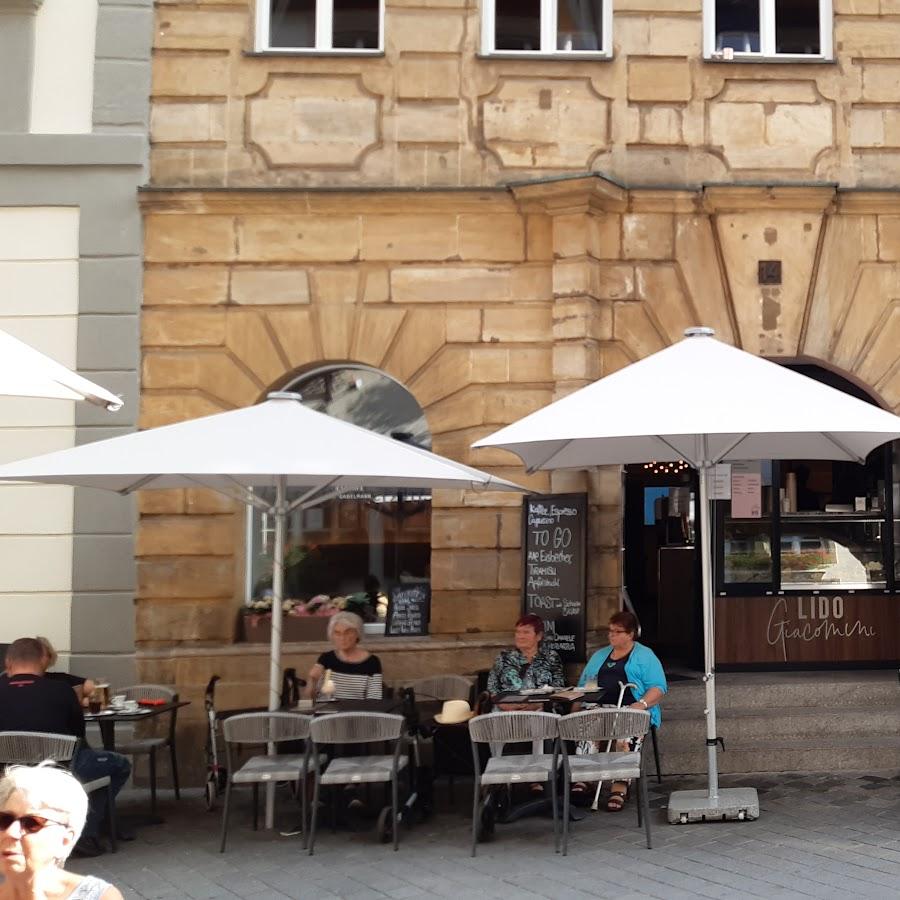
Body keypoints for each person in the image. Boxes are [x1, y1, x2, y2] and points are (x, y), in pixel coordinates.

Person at [0, 639, 131, 857]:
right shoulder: (62, 690)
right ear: (43, 661)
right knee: (119, 764)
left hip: (6, 774)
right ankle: (86, 833)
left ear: (8, 662)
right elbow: (78, 733)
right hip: (60, 772)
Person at [575, 611, 667, 811]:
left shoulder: (645, 656)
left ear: (631, 634)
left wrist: (641, 704)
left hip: (631, 705)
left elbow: (658, 688)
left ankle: (620, 784)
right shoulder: (600, 655)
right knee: (586, 723)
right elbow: (584, 685)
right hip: (600, 705)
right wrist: (576, 709)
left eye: (618, 632)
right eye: (610, 631)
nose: (612, 636)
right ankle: (586, 778)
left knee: (628, 725)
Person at [0, 763, 123, 899]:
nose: (10, 832)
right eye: (4, 820)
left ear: (65, 841)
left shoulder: (101, 897)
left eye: (32, 823)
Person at [303, 612, 383, 699]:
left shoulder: (372, 662)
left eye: (348, 632)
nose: (342, 638)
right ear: (332, 636)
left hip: (357, 711)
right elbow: (309, 700)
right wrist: (312, 680)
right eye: (337, 633)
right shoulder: (326, 659)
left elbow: (374, 700)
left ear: (357, 634)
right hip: (326, 711)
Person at [486, 614, 565, 695]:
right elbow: (492, 688)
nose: (520, 636)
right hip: (506, 705)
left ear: (539, 636)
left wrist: (536, 704)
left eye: (526, 632)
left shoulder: (551, 657)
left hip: (541, 705)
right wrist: (506, 705)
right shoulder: (504, 658)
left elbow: (559, 689)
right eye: (518, 632)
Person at [36, 636, 97, 707]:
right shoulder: (22, 682)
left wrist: (84, 701)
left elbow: (98, 690)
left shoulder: (61, 679)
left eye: (44, 655)